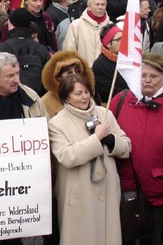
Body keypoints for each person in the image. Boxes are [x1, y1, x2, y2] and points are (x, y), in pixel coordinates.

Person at [109, 53, 163, 245]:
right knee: (123, 236)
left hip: (158, 187)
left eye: (153, 76)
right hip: (123, 185)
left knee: (151, 237)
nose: (147, 80)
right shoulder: (120, 100)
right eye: (142, 75)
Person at [49, 74, 131, 245]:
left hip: (107, 189)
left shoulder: (104, 113)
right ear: (67, 96)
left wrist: (111, 141)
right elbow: (67, 156)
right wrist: (96, 139)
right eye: (78, 93)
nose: (84, 97)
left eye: (87, 92)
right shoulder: (57, 123)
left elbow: (126, 147)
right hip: (78, 194)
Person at [0, 8, 50, 95]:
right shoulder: (41, 50)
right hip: (35, 101)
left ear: (11, 24)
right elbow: (49, 82)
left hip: (4, 101)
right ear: (29, 24)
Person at [63, 0, 111, 67]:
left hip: (104, 74)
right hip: (83, 73)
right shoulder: (76, 25)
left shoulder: (111, 27)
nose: (100, 7)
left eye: (103, 4)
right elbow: (69, 52)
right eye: (97, 4)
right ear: (89, 7)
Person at [92, 23, 127, 104]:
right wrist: (129, 93)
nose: (123, 42)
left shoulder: (127, 60)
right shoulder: (100, 65)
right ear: (108, 44)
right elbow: (106, 92)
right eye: (119, 40)